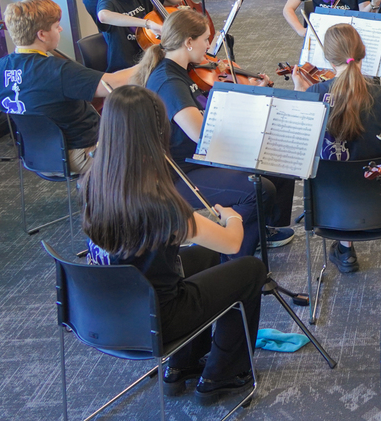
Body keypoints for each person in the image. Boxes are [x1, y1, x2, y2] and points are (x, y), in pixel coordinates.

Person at [82, 85, 268, 402]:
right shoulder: (159, 202)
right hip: (157, 320)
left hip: (106, 313)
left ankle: (182, 365)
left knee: (204, 257)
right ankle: (223, 376)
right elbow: (232, 242)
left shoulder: (92, 182)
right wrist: (233, 217)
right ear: (155, 135)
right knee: (249, 269)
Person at [137, 9, 295, 257]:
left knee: (277, 162)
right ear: (188, 42)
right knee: (259, 189)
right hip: (181, 172)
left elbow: (207, 108)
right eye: (205, 39)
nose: (209, 45)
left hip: (201, 158)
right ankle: (233, 253)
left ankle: (260, 229)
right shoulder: (168, 81)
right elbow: (201, 133)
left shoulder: (183, 69)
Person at [289, 24, 381, 274]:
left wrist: (301, 95)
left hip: (331, 207)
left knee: (330, 161)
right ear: (363, 52)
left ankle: (345, 251)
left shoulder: (315, 93)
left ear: (329, 59)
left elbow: (302, 141)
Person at [0, 0, 135, 174]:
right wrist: (154, 58)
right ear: (42, 34)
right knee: (145, 142)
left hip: (35, 155)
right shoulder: (57, 70)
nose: (60, 29)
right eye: (56, 26)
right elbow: (115, 84)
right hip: (82, 153)